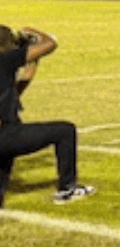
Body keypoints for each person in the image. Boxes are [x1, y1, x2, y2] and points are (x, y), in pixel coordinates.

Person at [0, 24, 96, 206]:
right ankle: (67, 188)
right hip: (6, 134)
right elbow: (50, 44)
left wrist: (33, 61)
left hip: (5, 136)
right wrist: (32, 32)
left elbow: (16, 90)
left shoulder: (4, 67)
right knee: (65, 131)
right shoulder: (5, 60)